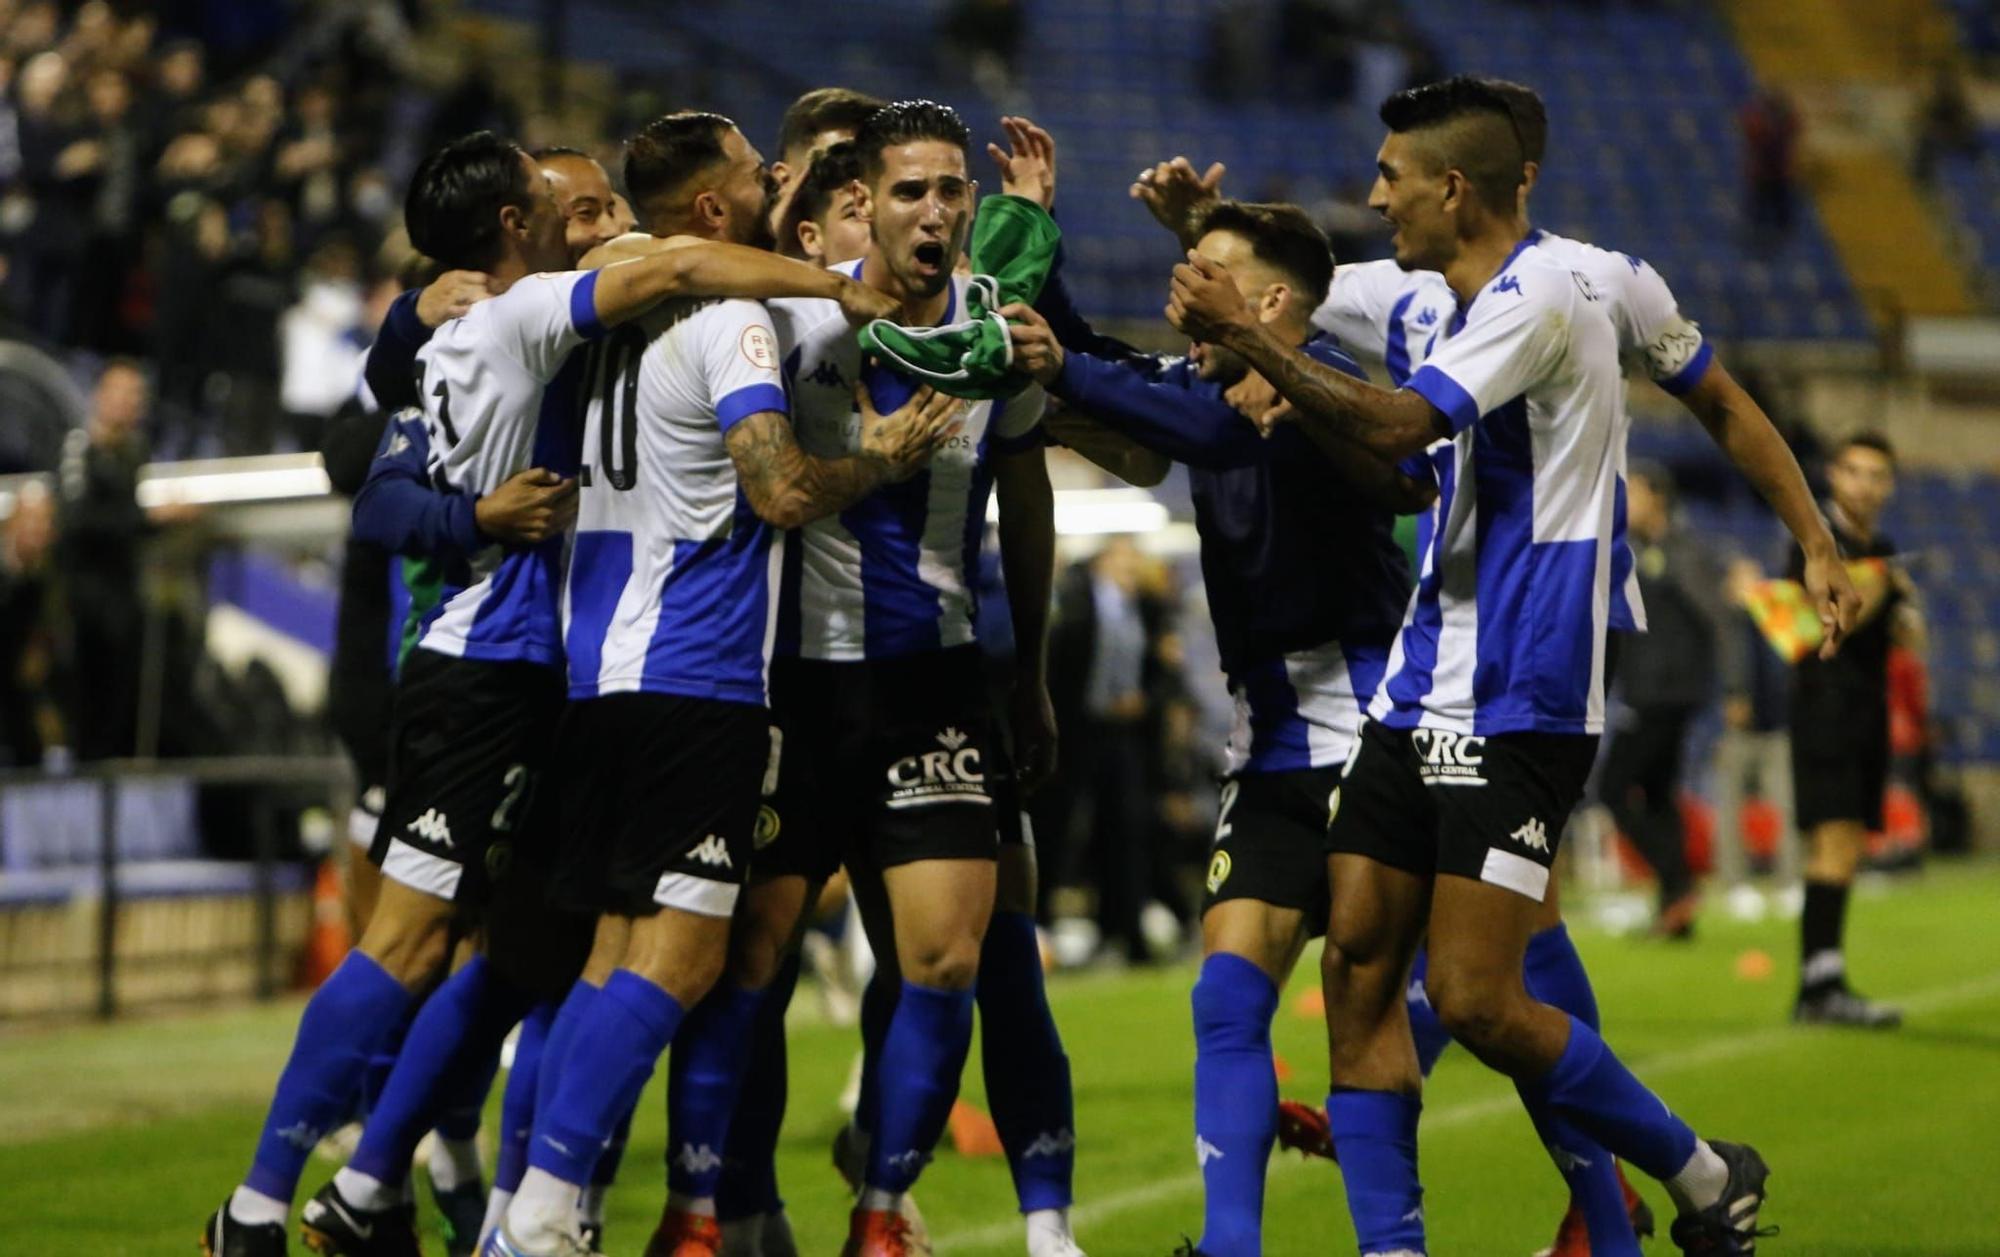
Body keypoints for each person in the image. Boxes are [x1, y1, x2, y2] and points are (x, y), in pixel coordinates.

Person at [1135, 73, 1857, 1254]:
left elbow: (1398, 428)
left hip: (1525, 685)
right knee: (1360, 975)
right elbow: (1298, 292)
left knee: (1474, 996)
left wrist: (1814, 537)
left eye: (1390, 181)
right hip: (1412, 683)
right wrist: (1208, 258)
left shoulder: (1551, 295)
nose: (1375, 200)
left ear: (1452, 188)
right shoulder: (1406, 285)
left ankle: (1691, 1167)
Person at [202, 129, 897, 1257]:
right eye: (575, 213)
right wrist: (467, 510)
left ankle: (435, 1194)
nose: (602, 228)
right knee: (424, 946)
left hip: (565, 679)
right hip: (490, 669)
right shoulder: (510, 320)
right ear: (520, 230)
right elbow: (371, 479)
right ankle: (281, 1204)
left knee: (530, 960)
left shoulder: (545, 327)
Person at [487, 110, 951, 1257]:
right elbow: (781, 492)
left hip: (596, 667)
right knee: (685, 960)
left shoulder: (598, 307)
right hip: (694, 675)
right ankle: (541, 1216)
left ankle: (533, 1209)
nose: (774, 180)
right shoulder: (730, 317)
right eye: (756, 173)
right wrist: (882, 460)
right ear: (710, 207)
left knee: (607, 961)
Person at [1005, 175, 1426, 1252]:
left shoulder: (1313, 389)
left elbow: (1192, 423)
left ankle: (1603, 1187)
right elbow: (1090, 351)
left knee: (1415, 1005)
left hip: (1366, 734)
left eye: (1210, 283)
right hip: (1268, 744)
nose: (1184, 300)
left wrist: (1077, 369)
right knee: (1226, 1001)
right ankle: (1230, 1245)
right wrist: (1039, 231)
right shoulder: (1208, 389)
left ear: (1272, 307)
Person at [1790, 432, 1915, 1028]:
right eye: (1856, 472)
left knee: (1848, 845)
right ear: (1833, 476)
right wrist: (1879, 588)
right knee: (1833, 843)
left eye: (1877, 475)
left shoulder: (1881, 546)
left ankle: (1824, 980)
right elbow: (1808, 625)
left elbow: (1902, 637)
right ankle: (1820, 985)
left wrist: (1902, 610)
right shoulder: (1815, 542)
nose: (1866, 485)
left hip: (1868, 712)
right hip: (1825, 712)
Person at [1598, 462, 1737, 940]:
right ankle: (1674, 913)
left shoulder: (1682, 553)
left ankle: (1678, 884)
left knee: (1613, 788)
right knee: (1658, 796)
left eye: (1634, 494)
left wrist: (1736, 687)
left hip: (1665, 694)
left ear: (1658, 498)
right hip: (1649, 690)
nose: (1626, 505)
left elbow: (1719, 618)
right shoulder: (1635, 551)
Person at [57, 358, 199, 762]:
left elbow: (125, 525)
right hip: (82, 606)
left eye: (136, 396)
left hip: (123, 603)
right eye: (121, 393)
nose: (129, 404)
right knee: (86, 713)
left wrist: (165, 524)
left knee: (119, 712)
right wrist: (150, 519)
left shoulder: (135, 452)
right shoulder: (79, 447)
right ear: (100, 396)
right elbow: (78, 520)